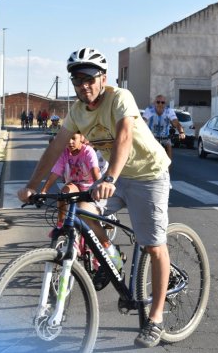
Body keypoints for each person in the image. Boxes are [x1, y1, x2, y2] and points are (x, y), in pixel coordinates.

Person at [18, 47, 171, 348]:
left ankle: (156, 317)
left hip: (147, 175)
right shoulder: (76, 110)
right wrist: (32, 186)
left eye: (89, 78)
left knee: (154, 246)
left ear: (102, 78)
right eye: (77, 80)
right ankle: (111, 255)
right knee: (84, 211)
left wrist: (110, 177)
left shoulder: (119, 98)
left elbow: (124, 137)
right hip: (114, 177)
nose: (83, 85)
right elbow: (55, 148)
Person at [142, 94, 185, 159]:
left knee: (169, 147)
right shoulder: (149, 110)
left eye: (162, 102)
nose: (160, 104)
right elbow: (143, 121)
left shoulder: (169, 111)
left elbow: (176, 122)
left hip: (165, 137)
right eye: (158, 102)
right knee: (147, 153)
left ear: (165, 104)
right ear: (154, 103)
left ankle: (168, 167)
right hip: (152, 137)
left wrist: (181, 132)